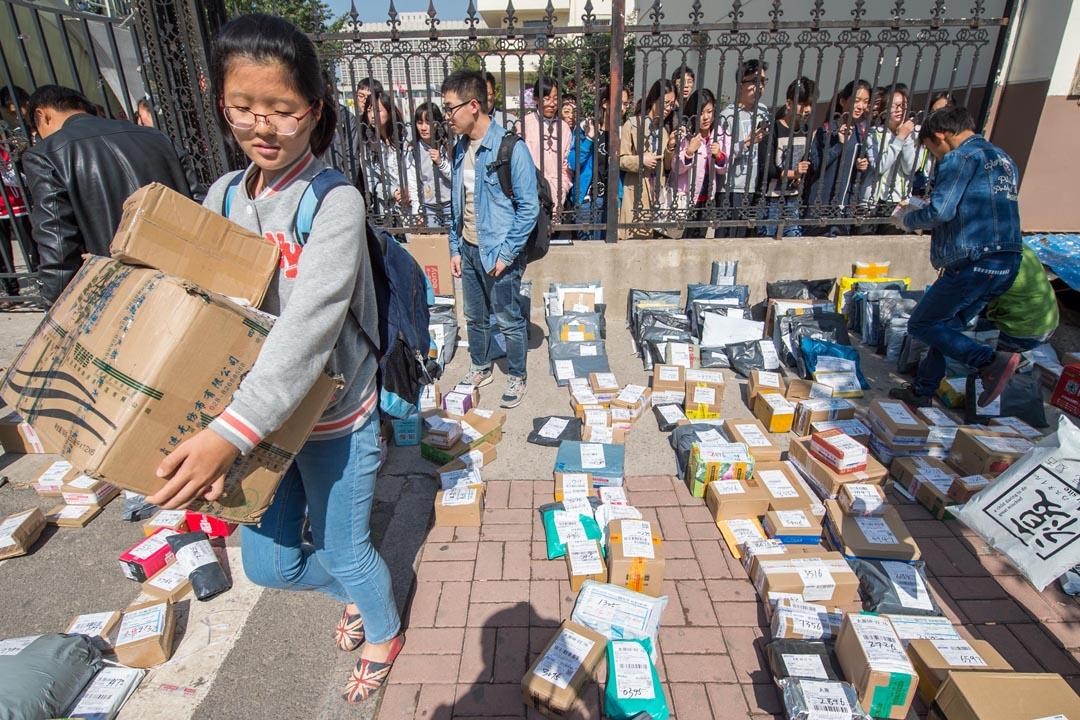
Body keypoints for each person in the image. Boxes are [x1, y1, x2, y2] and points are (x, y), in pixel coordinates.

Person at [143, 14, 402, 703]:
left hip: (330, 418)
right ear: (220, 103)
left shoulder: (334, 200)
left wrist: (227, 435)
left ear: (314, 113)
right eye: (244, 109)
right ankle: (356, 589)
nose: (263, 127)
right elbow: (199, 311)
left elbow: (308, 330)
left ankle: (383, 628)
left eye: (283, 111)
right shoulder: (224, 196)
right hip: (251, 424)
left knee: (348, 548)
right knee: (269, 566)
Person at [890, 105, 1024, 409]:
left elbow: (941, 210)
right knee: (944, 327)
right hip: (1007, 260)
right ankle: (922, 390)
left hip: (974, 262)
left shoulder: (959, 157)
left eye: (932, 151)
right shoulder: (1003, 159)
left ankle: (990, 361)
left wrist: (906, 219)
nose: (936, 159)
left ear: (941, 136)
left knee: (922, 324)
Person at [22, 85, 195, 304]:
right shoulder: (155, 137)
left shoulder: (46, 155)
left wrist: (55, 304)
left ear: (42, 115)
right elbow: (198, 201)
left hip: (121, 296)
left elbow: (58, 244)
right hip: (186, 281)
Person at [441, 69, 538, 408]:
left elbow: (529, 208)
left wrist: (507, 254)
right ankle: (481, 366)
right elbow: (457, 203)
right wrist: (455, 247)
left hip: (499, 252)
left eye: (450, 108)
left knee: (509, 317)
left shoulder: (511, 148)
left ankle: (517, 373)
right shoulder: (458, 150)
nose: (446, 116)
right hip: (468, 249)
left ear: (473, 106)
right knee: (474, 316)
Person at [805, 79, 872, 236]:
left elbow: (857, 175)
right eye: (856, 100)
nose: (860, 106)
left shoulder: (860, 133)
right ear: (843, 101)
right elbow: (816, 164)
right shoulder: (827, 130)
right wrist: (839, 145)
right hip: (821, 205)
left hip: (844, 207)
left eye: (865, 102)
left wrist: (863, 166)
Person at [717, 59, 770, 238]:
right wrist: (746, 143)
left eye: (763, 81)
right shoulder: (728, 116)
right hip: (732, 190)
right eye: (755, 81)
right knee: (728, 240)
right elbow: (720, 157)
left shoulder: (763, 112)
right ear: (741, 84)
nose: (760, 86)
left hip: (755, 188)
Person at [618, 78, 676, 240]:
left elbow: (666, 166)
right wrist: (641, 160)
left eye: (672, 104)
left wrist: (670, 147)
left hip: (657, 194)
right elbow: (620, 159)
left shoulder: (664, 131)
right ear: (654, 99)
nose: (668, 108)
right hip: (636, 191)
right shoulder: (633, 124)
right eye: (666, 102)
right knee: (632, 240)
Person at [760, 77, 816, 237]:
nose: (806, 109)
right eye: (802, 104)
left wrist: (801, 175)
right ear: (789, 103)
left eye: (810, 105)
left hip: (793, 199)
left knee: (793, 243)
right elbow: (767, 169)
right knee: (768, 244)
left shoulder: (806, 131)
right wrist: (794, 174)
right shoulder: (773, 129)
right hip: (770, 199)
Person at [566, 86, 622, 240]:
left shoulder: (619, 133)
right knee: (586, 251)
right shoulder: (586, 127)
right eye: (619, 103)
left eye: (625, 104)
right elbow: (572, 162)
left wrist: (619, 199)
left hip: (609, 200)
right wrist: (589, 139)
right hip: (586, 200)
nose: (622, 108)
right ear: (605, 103)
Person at [672, 88, 728, 239]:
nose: (706, 117)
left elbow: (723, 169)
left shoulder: (719, 134)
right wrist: (689, 152)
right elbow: (676, 168)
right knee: (683, 240)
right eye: (701, 113)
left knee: (700, 241)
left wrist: (719, 155)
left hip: (707, 199)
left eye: (709, 112)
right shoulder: (685, 134)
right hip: (687, 199)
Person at [985, 245, 1059, 354]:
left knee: (957, 332)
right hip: (1047, 325)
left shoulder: (989, 260)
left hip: (1024, 335)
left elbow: (963, 301)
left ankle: (995, 358)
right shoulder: (1019, 244)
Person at [863, 85, 918, 226]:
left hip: (900, 200)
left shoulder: (914, 134)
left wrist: (905, 138)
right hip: (874, 200)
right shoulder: (874, 134)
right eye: (894, 106)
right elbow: (880, 167)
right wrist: (899, 138)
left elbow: (910, 169)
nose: (899, 109)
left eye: (903, 105)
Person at [521, 75, 572, 215]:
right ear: (536, 99)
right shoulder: (524, 125)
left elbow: (566, 165)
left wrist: (562, 187)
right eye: (546, 98)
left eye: (555, 98)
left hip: (558, 191)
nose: (552, 103)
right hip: (530, 192)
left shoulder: (564, 128)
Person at [404, 101, 452, 227]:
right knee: (433, 244)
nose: (424, 127)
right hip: (429, 206)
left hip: (450, 204)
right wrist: (417, 211)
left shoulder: (447, 145)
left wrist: (441, 163)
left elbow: (456, 176)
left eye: (428, 122)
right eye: (420, 123)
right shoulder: (413, 150)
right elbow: (413, 182)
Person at [363, 91, 407, 222]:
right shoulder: (368, 145)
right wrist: (393, 192)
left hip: (416, 201)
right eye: (369, 110)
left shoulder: (405, 137)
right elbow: (371, 182)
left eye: (377, 110)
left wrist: (409, 190)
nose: (372, 115)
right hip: (391, 208)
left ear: (389, 111)